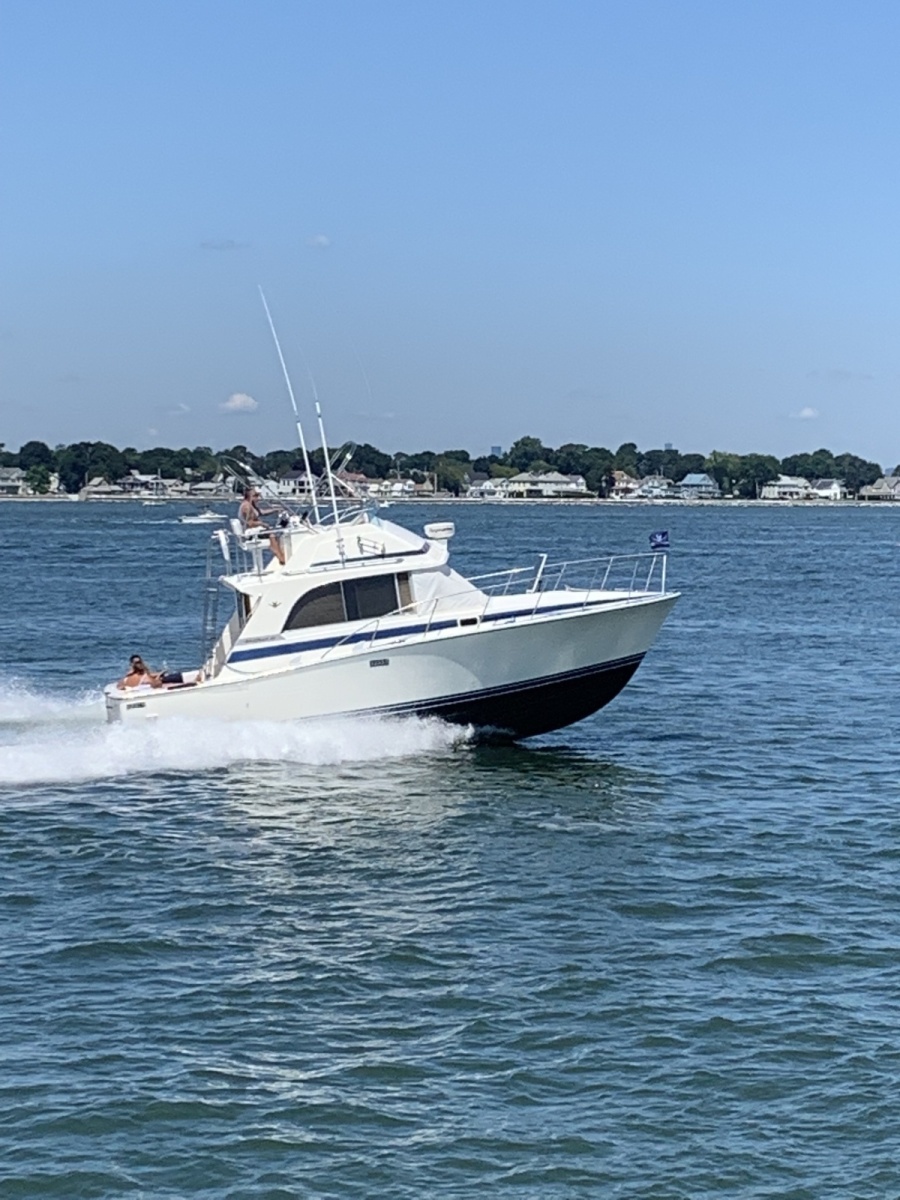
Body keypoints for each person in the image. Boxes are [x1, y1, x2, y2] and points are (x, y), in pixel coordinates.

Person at [238, 486, 285, 565]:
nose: (258, 498)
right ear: (250, 496)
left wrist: (275, 510)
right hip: (249, 532)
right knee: (271, 534)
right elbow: (249, 523)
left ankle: (280, 553)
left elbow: (261, 512)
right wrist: (262, 524)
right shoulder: (246, 507)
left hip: (253, 530)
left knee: (274, 532)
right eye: (256, 496)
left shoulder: (251, 505)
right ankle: (279, 555)